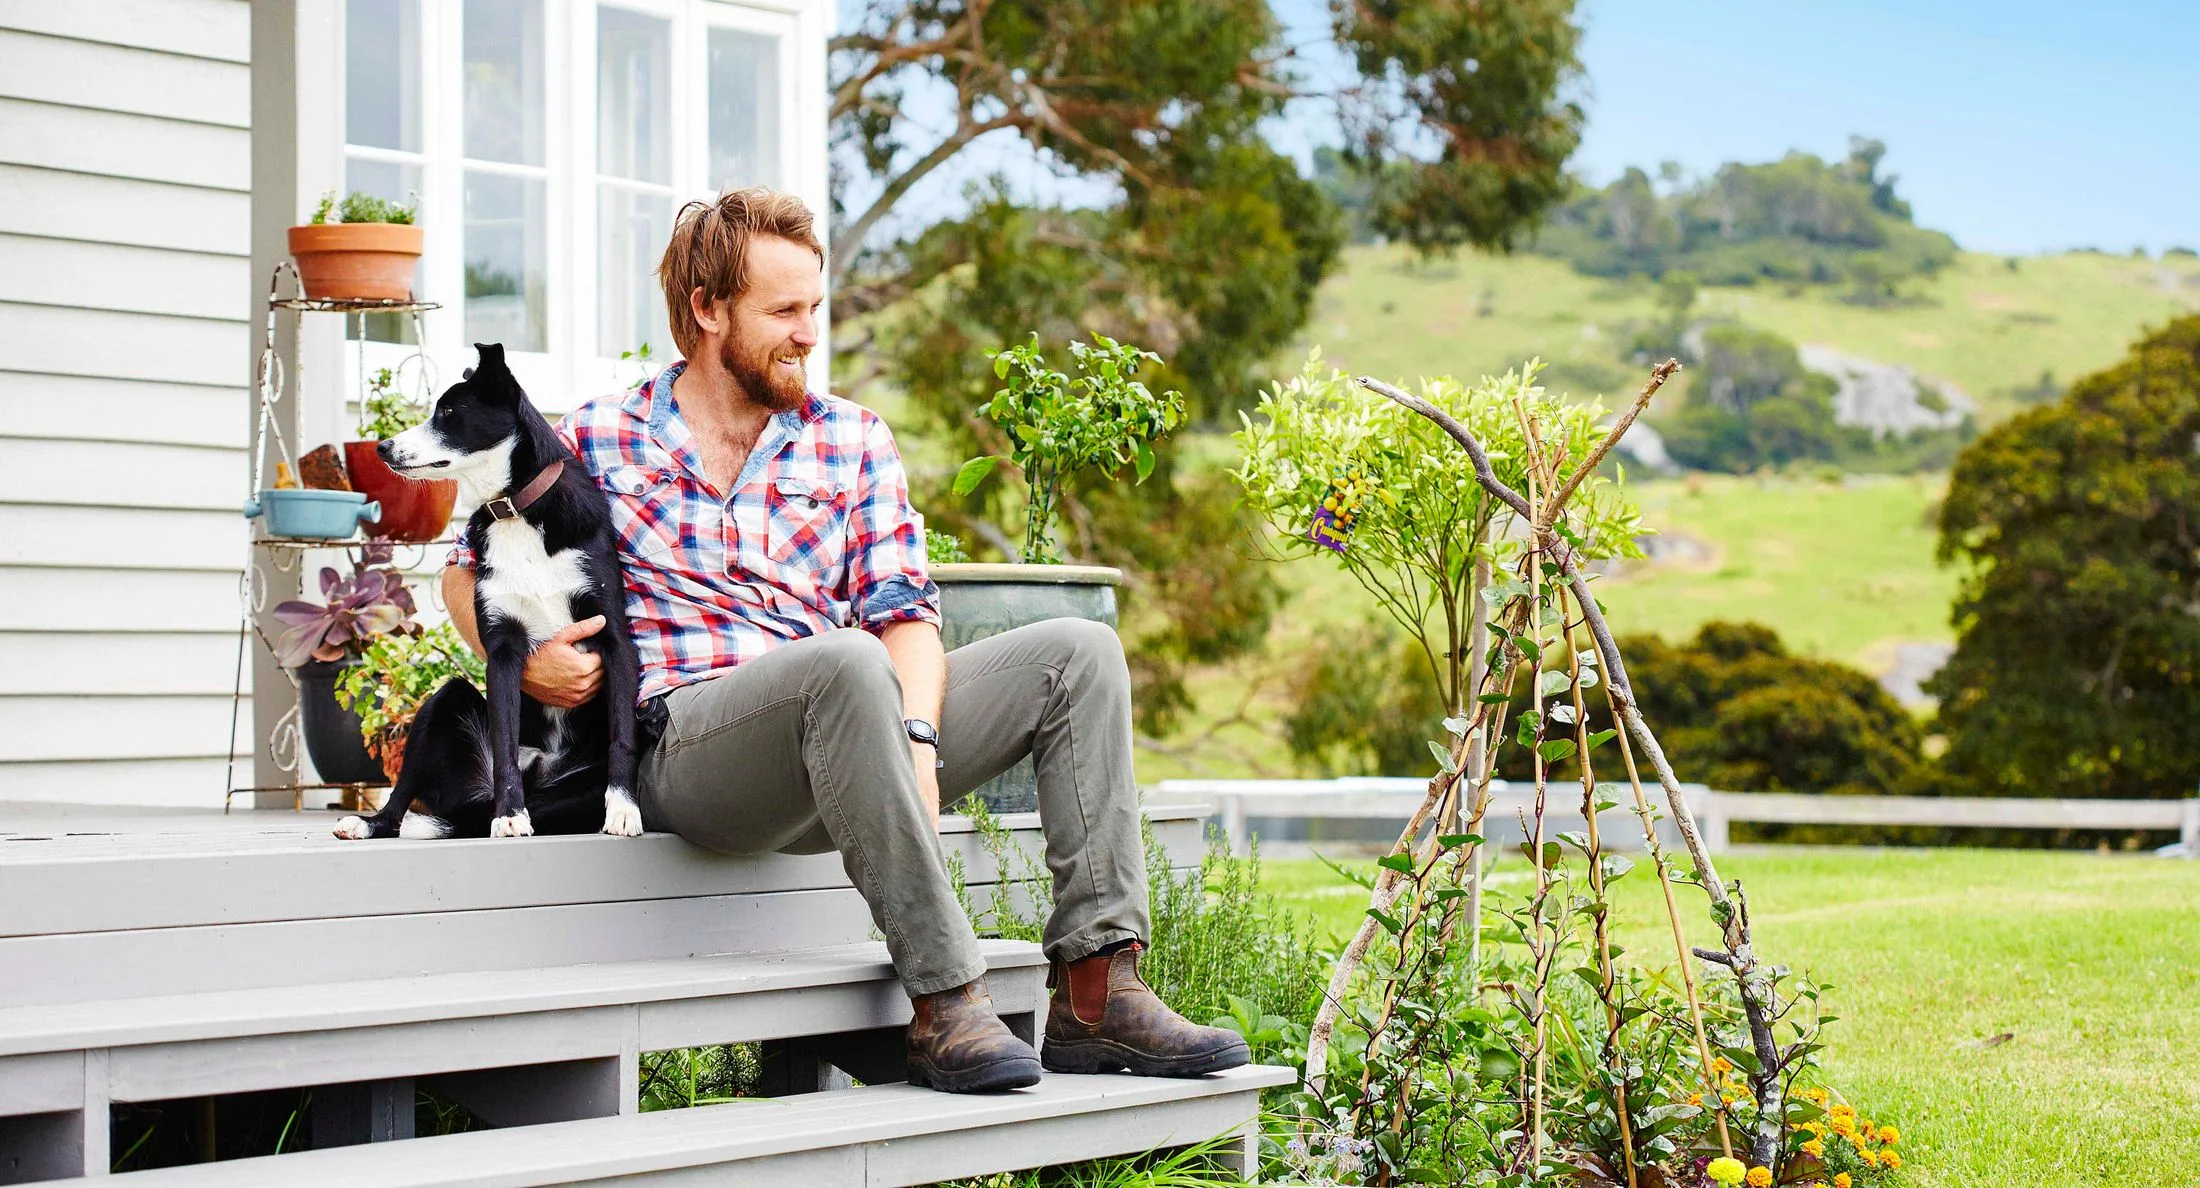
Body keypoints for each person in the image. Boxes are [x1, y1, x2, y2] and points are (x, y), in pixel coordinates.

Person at [440, 187, 1248, 1093]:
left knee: (1076, 654)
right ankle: (947, 1002)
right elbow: (463, 572)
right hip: (691, 749)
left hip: (853, 730)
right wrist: (529, 660)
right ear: (708, 312)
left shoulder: (854, 442)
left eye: (814, 308)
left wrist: (920, 733)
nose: (807, 333)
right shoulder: (595, 437)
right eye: (784, 311)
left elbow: (905, 614)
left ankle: (1101, 997)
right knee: (845, 661)